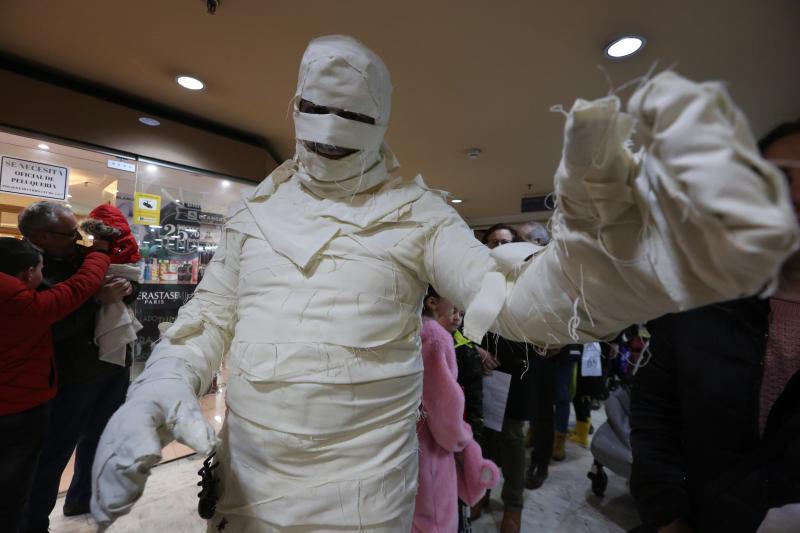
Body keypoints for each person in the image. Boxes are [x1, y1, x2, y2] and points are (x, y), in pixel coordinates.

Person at [91, 35, 798, 532]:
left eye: (355, 118)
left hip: (361, 506)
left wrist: (597, 262)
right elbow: (206, 321)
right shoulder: (254, 217)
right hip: (245, 494)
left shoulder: (417, 216)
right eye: (317, 112)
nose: (332, 135)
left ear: (383, 121)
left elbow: (516, 304)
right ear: (294, 106)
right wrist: (157, 387)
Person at [630, 120, 800, 533]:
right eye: (779, 179)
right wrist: (667, 516)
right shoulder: (694, 300)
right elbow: (653, 413)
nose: (795, 196)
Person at [16, 201, 134, 531]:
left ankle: (82, 497)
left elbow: (121, 281)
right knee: (52, 454)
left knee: (101, 440)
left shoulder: (81, 255)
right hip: (68, 376)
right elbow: (50, 325)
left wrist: (125, 290)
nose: (77, 239)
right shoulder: (26, 270)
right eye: (69, 234)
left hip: (110, 365)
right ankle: (34, 522)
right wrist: (99, 299)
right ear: (39, 236)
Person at [0, 237, 110, 532]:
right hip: (19, 408)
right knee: (17, 488)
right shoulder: (19, 301)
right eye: (39, 270)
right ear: (27, 273)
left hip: (23, 403)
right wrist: (99, 253)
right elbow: (77, 290)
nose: (75, 239)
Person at [414, 288, 497, 533]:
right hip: (430, 451)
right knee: (435, 521)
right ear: (431, 302)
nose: (458, 316)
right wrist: (464, 439)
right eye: (454, 309)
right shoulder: (436, 338)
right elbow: (445, 413)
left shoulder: (409, 327)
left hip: (405, 445)